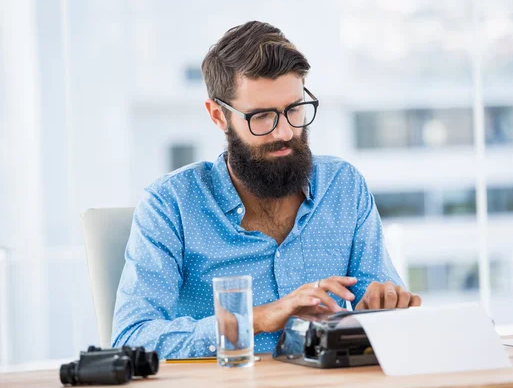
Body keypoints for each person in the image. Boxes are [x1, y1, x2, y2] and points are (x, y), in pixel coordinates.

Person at [111, 21, 421, 358]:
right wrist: (254, 319)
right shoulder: (171, 204)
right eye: (261, 116)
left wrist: (387, 306)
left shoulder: (343, 186)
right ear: (218, 115)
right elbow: (132, 338)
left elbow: (375, 308)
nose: (284, 132)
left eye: (294, 109)